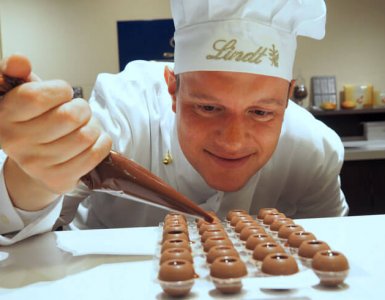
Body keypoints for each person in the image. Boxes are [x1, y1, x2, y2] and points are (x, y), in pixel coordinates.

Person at [0, 0, 348, 245]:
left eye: (261, 112)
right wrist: (30, 180)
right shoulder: (126, 109)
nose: (232, 140)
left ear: (288, 98)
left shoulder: (314, 150)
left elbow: (333, 246)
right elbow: (18, 223)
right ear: (172, 89)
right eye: (208, 108)